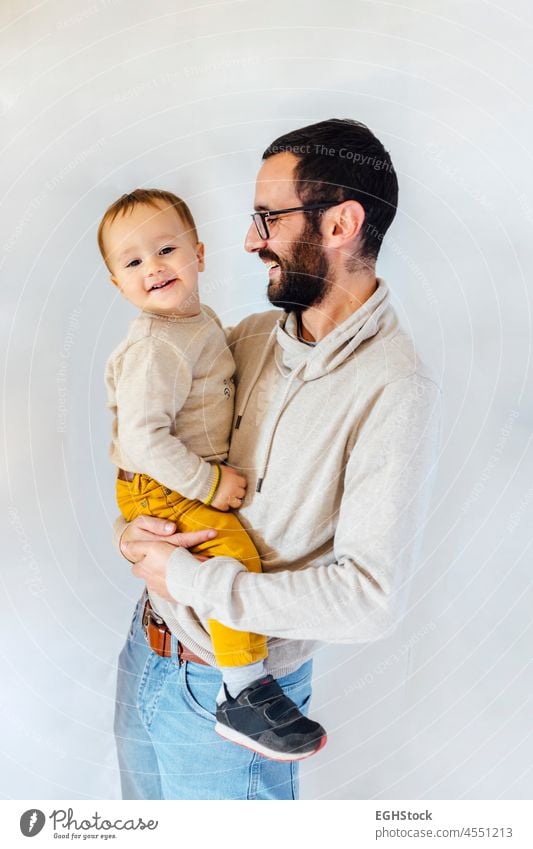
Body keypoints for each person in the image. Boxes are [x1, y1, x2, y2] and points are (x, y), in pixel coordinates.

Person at [112, 118, 441, 800]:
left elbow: (366, 602)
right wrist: (133, 536)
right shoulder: (252, 335)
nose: (247, 240)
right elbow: (157, 436)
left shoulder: (392, 387)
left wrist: (188, 577)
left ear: (340, 223)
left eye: (267, 217)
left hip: (238, 707)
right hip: (147, 652)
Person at [99, 188, 327, 761]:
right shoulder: (157, 346)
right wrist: (208, 482)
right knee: (230, 556)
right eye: (132, 262)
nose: (152, 267)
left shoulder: (198, 322)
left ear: (199, 253)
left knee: (226, 557)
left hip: (172, 477)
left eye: (166, 249)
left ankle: (239, 682)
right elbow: (143, 439)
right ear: (117, 284)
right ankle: (242, 690)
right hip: (166, 481)